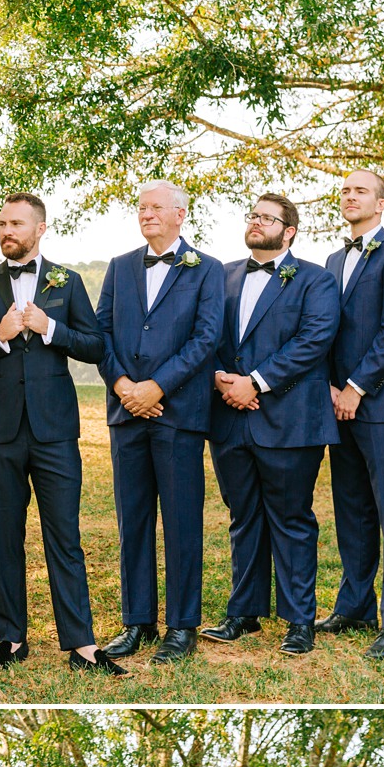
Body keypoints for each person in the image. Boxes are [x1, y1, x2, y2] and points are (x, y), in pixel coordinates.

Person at [0, 194, 122, 676]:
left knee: (64, 535)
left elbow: (94, 345)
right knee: (5, 535)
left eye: (16, 223)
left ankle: (82, 645)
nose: (6, 230)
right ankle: (11, 639)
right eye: (1, 222)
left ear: (40, 229)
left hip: (55, 431)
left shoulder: (65, 282)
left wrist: (51, 329)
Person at [204, 195, 340, 658]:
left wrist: (256, 383)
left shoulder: (316, 280)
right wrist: (221, 379)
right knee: (243, 516)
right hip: (227, 416)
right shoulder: (220, 275)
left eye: (267, 218)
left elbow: (314, 340)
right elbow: (203, 333)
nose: (256, 222)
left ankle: (299, 620)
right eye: (253, 215)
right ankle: (243, 612)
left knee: (292, 519)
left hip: (289, 420)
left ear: (290, 231)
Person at [96, 182, 226, 664]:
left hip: (179, 414)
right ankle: (137, 622)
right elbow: (99, 332)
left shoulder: (207, 269)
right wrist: (125, 387)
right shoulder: (119, 266)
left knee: (182, 521)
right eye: (141, 207)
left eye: (155, 208)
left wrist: (158, 388)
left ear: (180, 214)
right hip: (125, 412)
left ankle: (182, 626)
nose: (146, 214)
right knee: (133, 521)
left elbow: (207, 337)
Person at [319, 171, 384, 659]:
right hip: (337, 403)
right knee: (352, 508)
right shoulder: (333, 259)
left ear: (382, 204)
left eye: (360, 191)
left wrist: (358, 387)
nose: (350, 196)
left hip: (379, 403)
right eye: (345, 191)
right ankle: (356, 605)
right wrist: (333, 389)